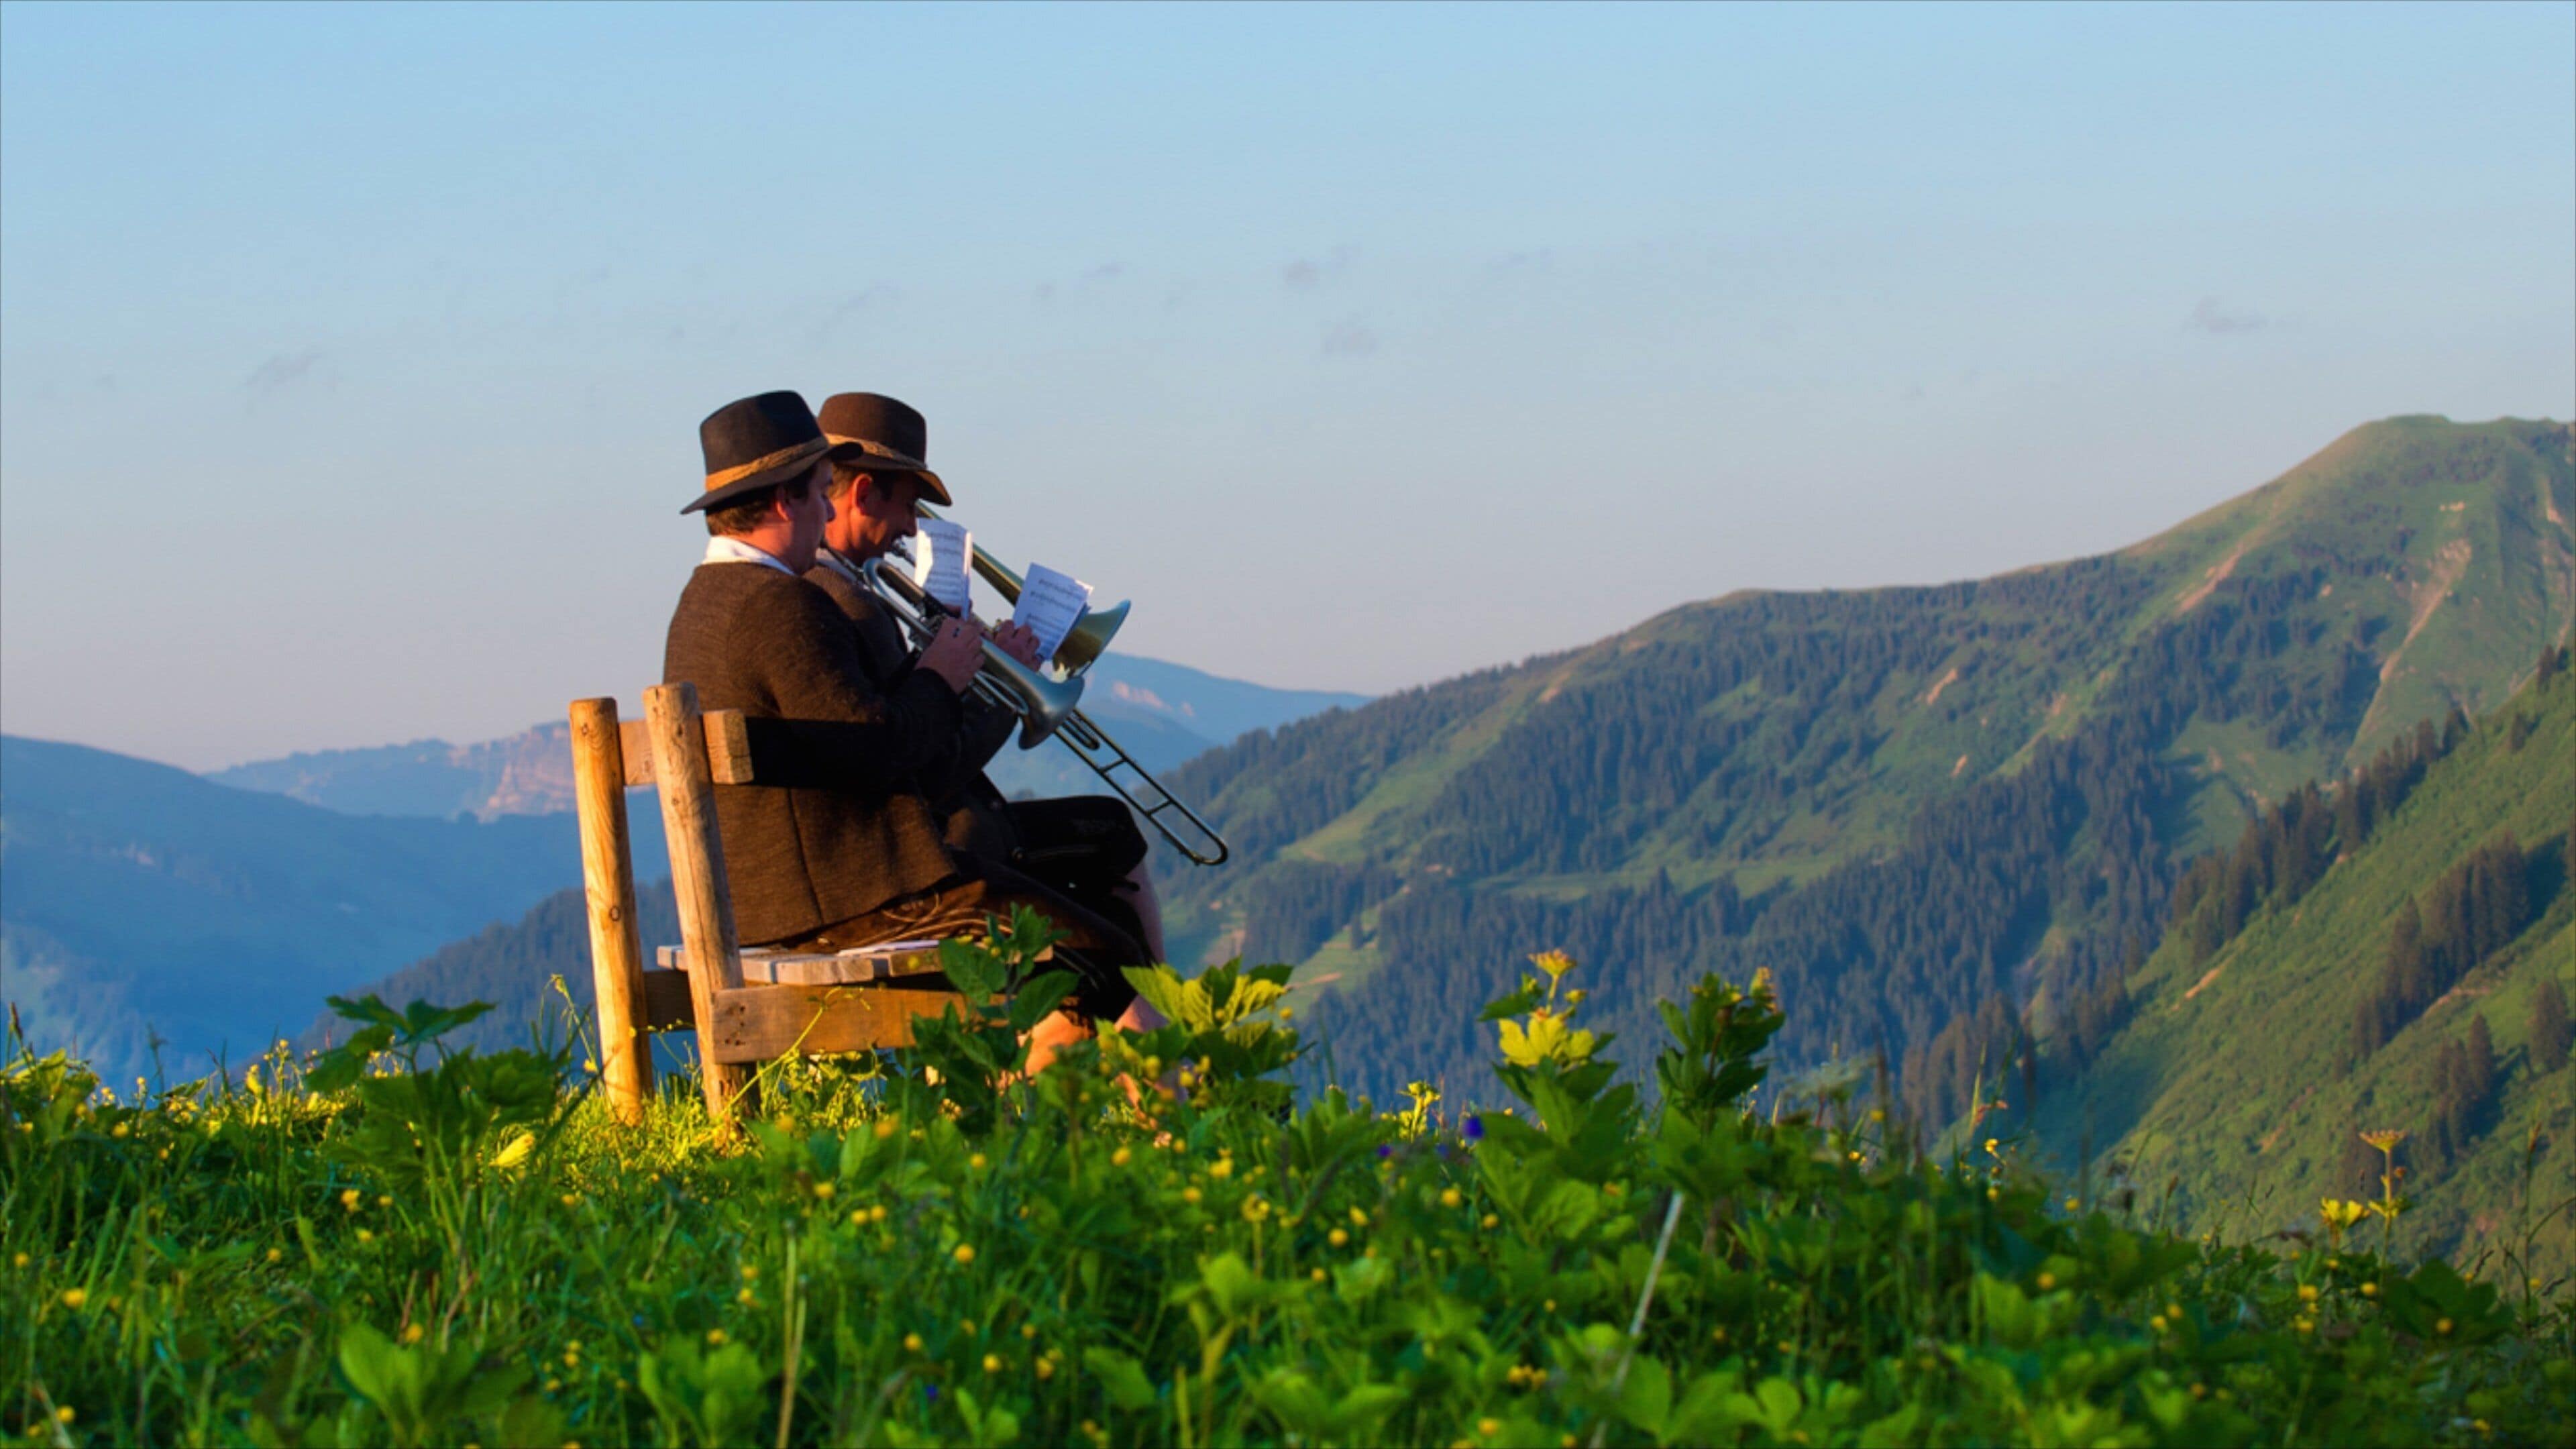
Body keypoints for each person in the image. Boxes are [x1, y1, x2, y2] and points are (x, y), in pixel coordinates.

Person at [662, 390, 1167, 1074]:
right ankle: (1146, 1148)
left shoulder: (704, 600)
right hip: (850, 903)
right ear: (784, 502)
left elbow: (849, 733)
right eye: (817, 492)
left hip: (803, 892)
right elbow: (878, 751)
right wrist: (939, 675)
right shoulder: (780, 603)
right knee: (1101, 954)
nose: (825, 509)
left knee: (1096, 938)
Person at [800, 391, 1168, 965]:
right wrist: (992, 689)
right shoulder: (847, 602)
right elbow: (934, 767)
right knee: (1109, 943)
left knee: (1113, 896)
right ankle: (1161, 1034)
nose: (911, 530)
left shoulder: (858, 592)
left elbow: (919, 723)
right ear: (865, 495)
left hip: (942, 837)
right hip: (943, 847)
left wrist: (966, 663)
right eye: (910, 507)